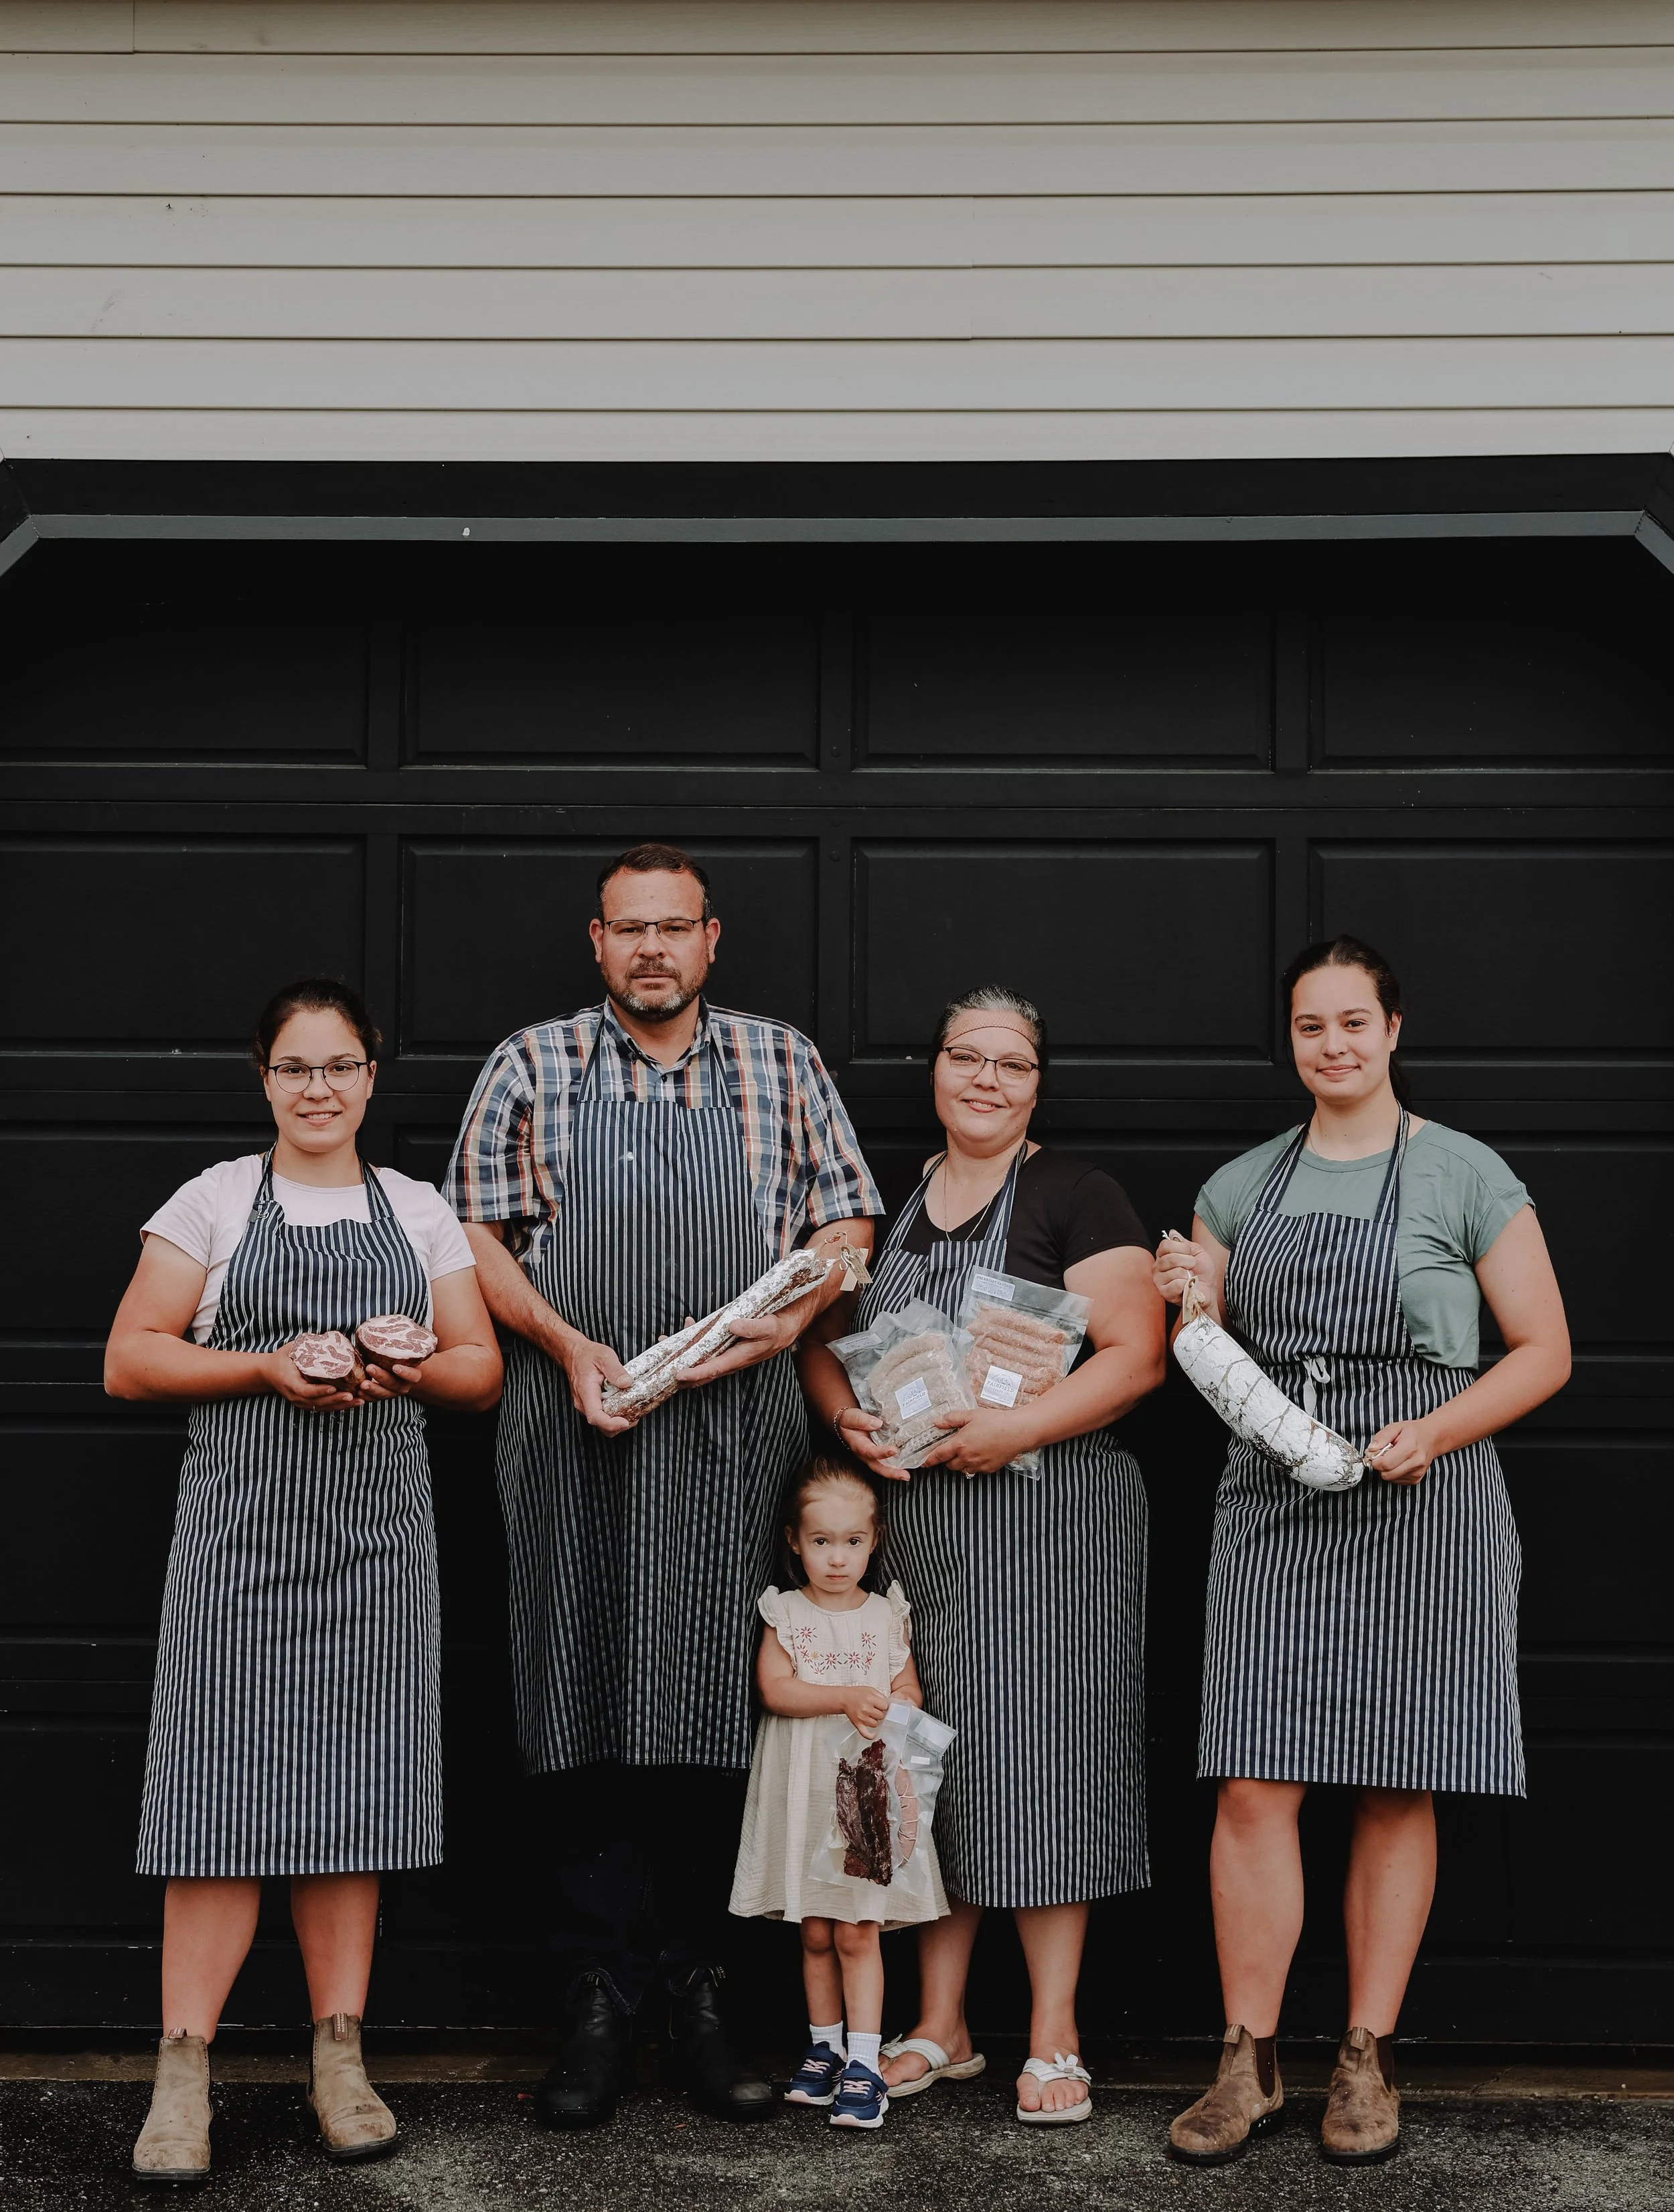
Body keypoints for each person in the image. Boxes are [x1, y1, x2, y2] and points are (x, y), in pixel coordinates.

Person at [445, 842, 883, 2128]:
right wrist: (569, 1344)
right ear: (597, 942)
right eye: (629, 928)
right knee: (574, 1690)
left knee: (709, 1700)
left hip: (731, 1422)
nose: (651, 948)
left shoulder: (780, 1060)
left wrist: (751, 1335)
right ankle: (595, 1994)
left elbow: (847, 1230)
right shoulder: (531, 1062)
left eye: (673, 927)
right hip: (568, 1412)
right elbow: (476, 1230)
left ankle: (701, 1994)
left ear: (710, 938)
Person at [1154, 936, 1570, 2168]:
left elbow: (1543, 1349)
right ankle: (1249, 2056)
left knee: (1401, 1775)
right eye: (1309, 1026)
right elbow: (1208, 1346)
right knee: (1252, 1778)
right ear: (1289, 1041)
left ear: (1394, 1030)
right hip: (1277, 1488)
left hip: (1426, 1494)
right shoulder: (1237, 1186)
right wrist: (1195, 1286)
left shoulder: (1465, 1173)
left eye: (1353, 1022)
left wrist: (1431, 1429)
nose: (1332, 1044)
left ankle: (1366, 2053)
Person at [104, 978, 502, 2185]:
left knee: (357, 1797)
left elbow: (479, 1366)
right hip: (238, 1547)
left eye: (339, 1066)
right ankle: (184, 2070)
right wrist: (266, 1365)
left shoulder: (420, 1210)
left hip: (378, 1548)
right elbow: (131, 1357)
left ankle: (341, 2056)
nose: (318, 1088)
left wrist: (412, 1371)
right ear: (265, 1079)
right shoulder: (216, 1199)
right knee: (212, 1804)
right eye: (295, 1067)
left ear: (372, 1077)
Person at [801, 985, 1166, 2126]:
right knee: (926, 1764)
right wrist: (845, 1419)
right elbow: (820, 1341)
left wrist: (1013, 1429)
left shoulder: (1075, 1192)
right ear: (937, 1069)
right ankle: (941, 2023)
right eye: (969, 1057)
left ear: (1037, 1082)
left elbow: (1137, 1354)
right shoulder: (889, 1205)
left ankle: (1053, 2033)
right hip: (926, 1535)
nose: (988, 1079)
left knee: (1048, 1764)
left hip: (1057, 1524)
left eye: (1013, 1064)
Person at [729, 1454, 946, 2132]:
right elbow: (776, 1689)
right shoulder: (785, 1611)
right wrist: (845, 1695)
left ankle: (863, 2062)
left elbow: (908, 1687)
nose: (836, 1558)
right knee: (816, 1932)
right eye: (821, 1541)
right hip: (802, 1792)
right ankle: (822, 2048)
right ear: (795, 1541)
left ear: (873, 1541)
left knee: (858, 1930)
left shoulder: (885, 1615)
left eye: (852, 1541)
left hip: (861, 1796)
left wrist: (897, 1703)